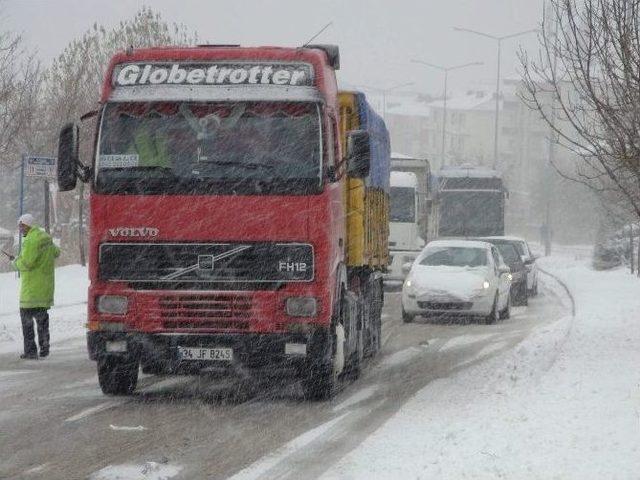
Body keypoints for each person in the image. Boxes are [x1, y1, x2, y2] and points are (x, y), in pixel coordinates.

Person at [8, 214, 60, 359]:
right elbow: (57, 252)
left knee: (27, 323)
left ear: (28, 225)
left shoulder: (30, 240)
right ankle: (44, 347)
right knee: (42, 320)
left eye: (22, 226)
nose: (20, 229)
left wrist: (15, 262)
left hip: (31, 290)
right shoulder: (46, 238)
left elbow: (26, 264)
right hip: (45, 289)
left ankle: (31, 351)